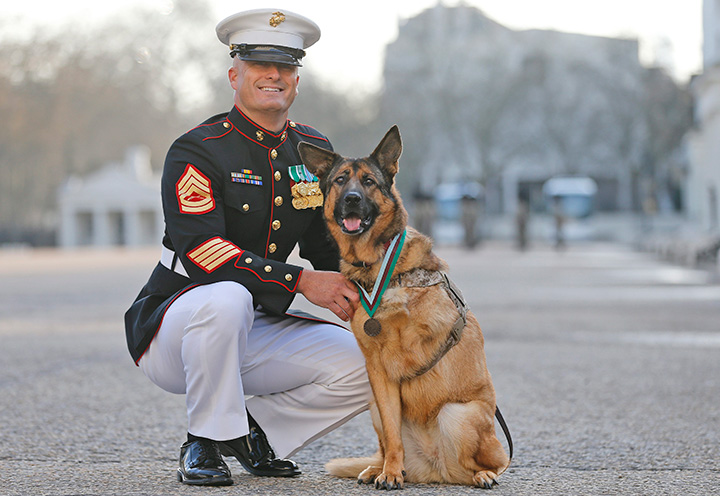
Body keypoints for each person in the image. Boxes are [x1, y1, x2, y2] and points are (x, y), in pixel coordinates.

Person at [124, 9, 370, 487]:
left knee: (366, 360)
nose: (274, 75)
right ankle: (205, 441)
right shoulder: (198, 148)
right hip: (178, 326)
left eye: (286, 65)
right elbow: (203, 253)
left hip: (253, 324)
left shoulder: (312, 149)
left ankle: (256, 435)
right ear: (235, 74)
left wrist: (384, 292)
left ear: (297, 79)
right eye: (260, 65)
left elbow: (330, 247)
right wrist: (301, 281)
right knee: (226, 297)